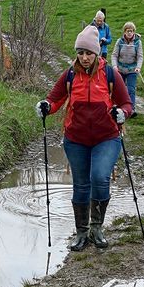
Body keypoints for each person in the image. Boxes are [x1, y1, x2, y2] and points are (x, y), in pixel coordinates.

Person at [35, 25, 133, 250]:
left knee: (99, 177)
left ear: (97, 53)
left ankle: (97, 228)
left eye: (89, 53)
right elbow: (55, 98)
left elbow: (127, 103)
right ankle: (82, 233)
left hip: (106, 137)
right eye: (81, 52)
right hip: (76, 139)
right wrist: (46, 106)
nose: (85, 57)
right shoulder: (70, 74)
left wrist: (122, 113)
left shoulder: (110, 74)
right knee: (80, 185)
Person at [112, 21, 143, 117]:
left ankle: (131, 109)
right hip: (120, 69)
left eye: (131, 31)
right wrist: (114, 66)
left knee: (131, 89)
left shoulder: (137, 42)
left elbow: (140, 56)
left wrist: (138, 67)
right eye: (127, 31)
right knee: (119, 89)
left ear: (134, 32)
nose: (129, 33)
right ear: (124, 32)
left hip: (132, 70)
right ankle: (118, 106)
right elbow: (114, 55)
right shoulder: (119, 42)